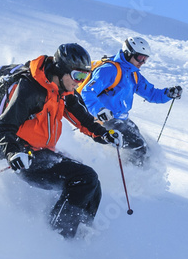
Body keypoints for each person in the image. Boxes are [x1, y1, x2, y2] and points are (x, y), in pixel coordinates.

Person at [0, 43, 119, 239]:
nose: (80, 82)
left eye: (85, 77)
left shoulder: (64, 92)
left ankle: (81, 234)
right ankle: (58, 238)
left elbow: (84, 120)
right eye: (78, 76)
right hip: (24, 156)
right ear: (62, 70)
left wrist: (104, 134)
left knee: (93, 185)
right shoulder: (30, 89)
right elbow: (4, 127)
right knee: (84, 179)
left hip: (43, 152)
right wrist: (12, 152)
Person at [78, 36, 182, 166]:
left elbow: (152, 94)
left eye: (145, 59)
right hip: (104, 120)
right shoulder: (109, 70)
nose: (142, 62)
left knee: (146, 149)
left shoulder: (133, 74)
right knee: (138, 148)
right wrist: (100, 110)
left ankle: (139, 174)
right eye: (140, 57)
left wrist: (168, 94)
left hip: (122, 119)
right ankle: (129, 177)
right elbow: (87, 92)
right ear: (128, 53)